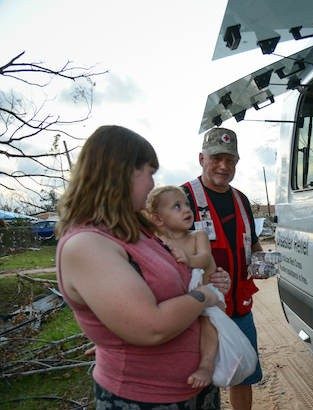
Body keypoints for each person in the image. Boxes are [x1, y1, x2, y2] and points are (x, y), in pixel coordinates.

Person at [55, 125, 232, 409]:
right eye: (149, 172)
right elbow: (151, 328)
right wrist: (206, 296)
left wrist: (214, 277)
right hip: (145, 398)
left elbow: (177, 274)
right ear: (121, 172)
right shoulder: (87, 245)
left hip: (193, 390)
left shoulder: (136, 230)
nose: (152, 184)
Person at [182, 127, 263, 410]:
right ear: (201, 158)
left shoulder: (241, 200)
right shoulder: (183, 198)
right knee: (197, 381)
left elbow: (253, 244)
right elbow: (164, 251)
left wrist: (262, 262)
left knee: (243, 374)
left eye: (230, 160)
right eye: (216, 158)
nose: (223, 166)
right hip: (199, 312)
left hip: (239, 308)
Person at [145, 185, 219, 389]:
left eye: (186, 204)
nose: (187, 210)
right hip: (182, 300)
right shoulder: (157, 241)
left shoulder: (198, 236)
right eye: (177, 207)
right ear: (158, 219)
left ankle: (207, 364)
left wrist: (189, 259)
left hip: (207, 297)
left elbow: (204, 259)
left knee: (208, 322)